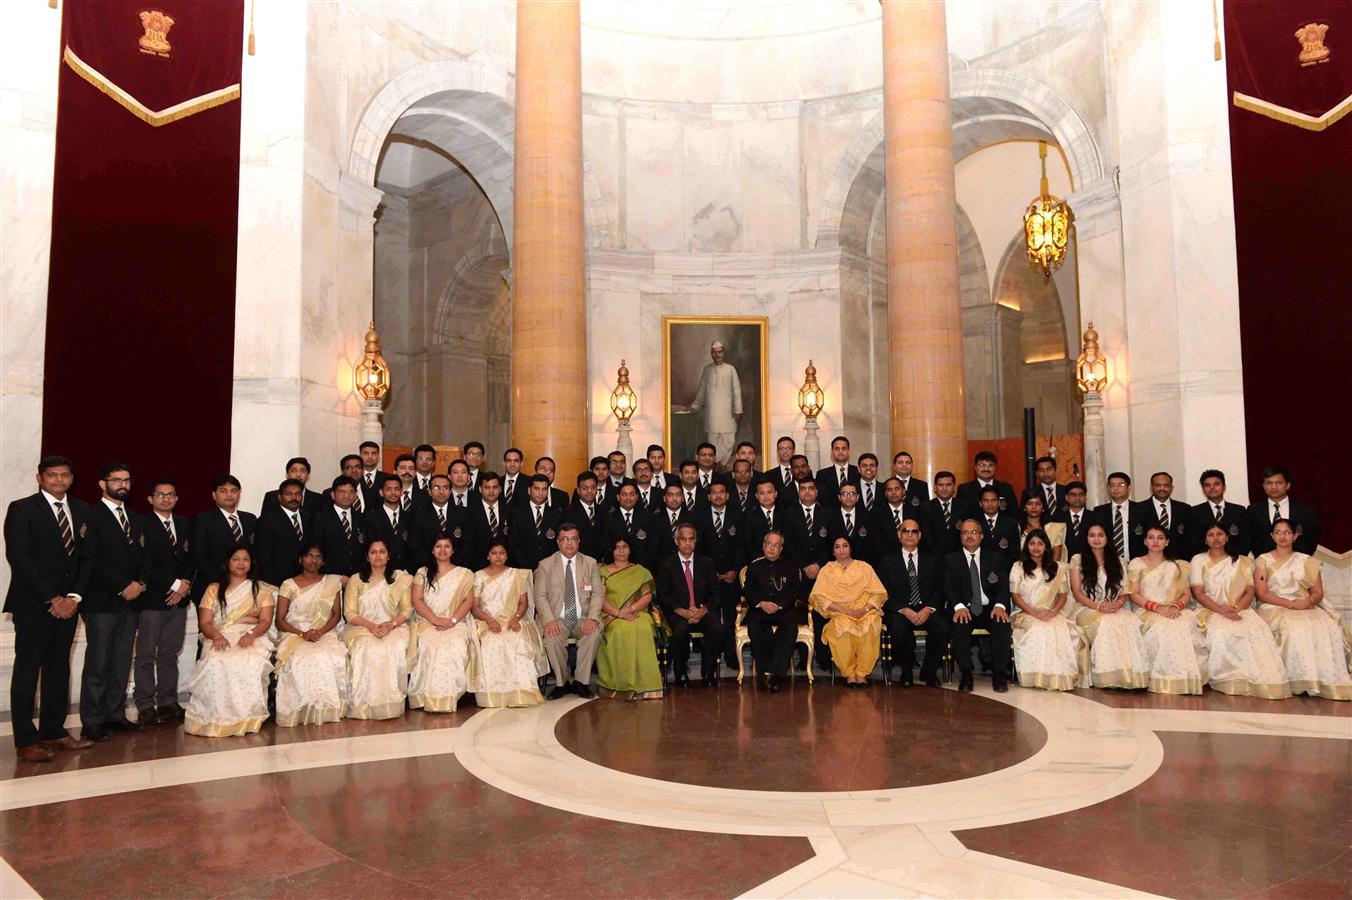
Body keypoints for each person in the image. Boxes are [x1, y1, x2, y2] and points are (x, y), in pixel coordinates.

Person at [4, 456, 96, 762]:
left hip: (70, 604)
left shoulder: (82, 510)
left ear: (72, 478)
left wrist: (73, 597)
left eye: (64, 475)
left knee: (58, 668)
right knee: (28, 671)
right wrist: (53, 598)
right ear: (40, 478)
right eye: (52, 475)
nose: (59, 480)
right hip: (34, 604)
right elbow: (20, 558)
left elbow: (87, 559)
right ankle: (25, 740)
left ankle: (54, 731)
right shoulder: (22, 509)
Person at [81, 462, 150, 739]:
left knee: (122, 661)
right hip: (102, 602)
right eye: (116, 480)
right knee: (98, 662)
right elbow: (92, 558)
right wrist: (122, 586)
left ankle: (115, 714)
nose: (122, 485)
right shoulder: (90, 515)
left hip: (131, 602)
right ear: (102, 484)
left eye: (127, 480)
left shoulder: (135, 517)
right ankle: (92, 720)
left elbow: (146, 557)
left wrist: (140, 584)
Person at [1253, 519, 1351, 699]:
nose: (1282, 536)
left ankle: (1325, 680)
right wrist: (1289, 604)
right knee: (1294, 627)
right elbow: (1262, 593)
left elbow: (1318, 592)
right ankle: (1297, 680)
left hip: (1304, 605)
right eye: (1278, 532)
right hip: (1274, 605)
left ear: (1295, 536)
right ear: (1272, 536)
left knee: (1325, 627)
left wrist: (1307, 602)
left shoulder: (1307, 561)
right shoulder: (1262, 560)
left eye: (1287, 532)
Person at [184, 545, 275, 737]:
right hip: (219, 635)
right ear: (227, 562)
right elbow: (205, 622)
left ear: (251, 563)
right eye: (236, 559)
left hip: (251, 634)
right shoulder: (213, 589)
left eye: (246, 559)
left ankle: (247, 718)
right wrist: (217, 636)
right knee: (216, 662)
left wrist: (251, 634)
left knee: (250, 660)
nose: (241, 563)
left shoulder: (261, 589)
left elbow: (266, 621)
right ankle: (216, 718)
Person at [1189, 523, 1289, 699]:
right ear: (1205, 540)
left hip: (1240, 608)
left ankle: (1259, 679)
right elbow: (1198, 593)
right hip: (1209, 609)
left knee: (1255, 629)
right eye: (1211, 535)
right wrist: (1221, 610)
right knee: (1222, 631)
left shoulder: (1244, 561)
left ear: (1227, 537)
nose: (1216, 538)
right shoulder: (1198, 560)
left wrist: (1236, 609)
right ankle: (1229, 679)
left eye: (1220, 534)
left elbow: (1250, 591)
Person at [136, 478, 194, 725]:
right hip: (152, 600)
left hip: (178, 601)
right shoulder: (141, 524)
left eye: (171, 494)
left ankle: (168, 701)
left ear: (177, 498)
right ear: (150, 499)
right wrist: (173, 584)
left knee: (170, 653)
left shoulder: (184, 523)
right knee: (146, 654)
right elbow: (144, 563)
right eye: (160, 494)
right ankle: (145, 704)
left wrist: (184, 586)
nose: (166, 499)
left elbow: (192, 559)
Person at [1127, 525, 1207, 695]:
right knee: (1163, 627)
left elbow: (1186, 593)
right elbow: (1133, 594)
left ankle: (1186, 678)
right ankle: (1162, 678)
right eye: (1151, 537)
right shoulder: (1136, 563)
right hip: (1147, 609)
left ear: (1167, 542)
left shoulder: (1177, 566)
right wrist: (1157, 608)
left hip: (1174, 608)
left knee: (1183, 624)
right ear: (1145, 541)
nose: (1155, 541)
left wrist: (1175, 607)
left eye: (1160, 538)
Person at [274, 543, 347, 726]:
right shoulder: (288, 585)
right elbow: (280, 621)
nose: (313, 560)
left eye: (318, 557)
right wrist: (302, 633)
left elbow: (336, 615)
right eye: (309, 556)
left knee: (328, 656)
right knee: (300, 659)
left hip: (324, 631)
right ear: (301, 559)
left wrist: (320, 632)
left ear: (323, 561)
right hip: (295, 633)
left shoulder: (331, 582)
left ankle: (326, 709)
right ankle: (300, 709)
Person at [1069, 523, 1148, 690]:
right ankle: (1110, 677)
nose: (1096, 539)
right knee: (1107, 623)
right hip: (1087, 608)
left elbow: (1125, 592)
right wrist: (1098, 607)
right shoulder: (1077, 559)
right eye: (1092, 535)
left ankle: (1131, 676)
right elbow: (1076, 592)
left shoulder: (1119, 561)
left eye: (1100, 535)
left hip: (1114, 607)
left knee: (1130, 621)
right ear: (1086, 538)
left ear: (1107, 538)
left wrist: (1116, 605)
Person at [471, 537, 548, 707]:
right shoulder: (478, 576)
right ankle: (493, 695)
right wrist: (490, 621)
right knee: (490, 643)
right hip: (487, 622)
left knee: (518, 641)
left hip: (512, 620)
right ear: (488, 556)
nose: (498, 556)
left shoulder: (517, 575)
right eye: (494, 553)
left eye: (502, 553)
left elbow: (523, 603)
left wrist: (515, 618)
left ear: (507, 556)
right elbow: (475, 606)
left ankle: (522, 693)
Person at [342, 539, 413, 720]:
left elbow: (407, 610)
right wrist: (371, 626)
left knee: (391, 647)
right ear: (367, 557)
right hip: (362, 627)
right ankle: (365, 704)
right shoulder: (356, 580)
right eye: (373, 552)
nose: (378, 556)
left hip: (394, 626)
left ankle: (390, 704)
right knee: (367, 648)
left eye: (382, 552)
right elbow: (349, 613)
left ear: (389, 556)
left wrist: (390, 625)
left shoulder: (400, 579)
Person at [1010, 530, 1087, 691]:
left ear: (1046, 546)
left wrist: (1053, 612)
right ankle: (1038, 677)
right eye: (1032, 544)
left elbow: (1063, 596)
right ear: (1026, 546)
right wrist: (1034, 613)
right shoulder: (1018, 567)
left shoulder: (1057, 568)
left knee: (1059, 627)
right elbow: (1015, 596)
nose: (1036, 547)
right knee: (1039, 628)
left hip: (1051, 612)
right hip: (1024, 613)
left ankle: (1058, 677)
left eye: (1040, 544)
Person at [408, 535, 476, 711]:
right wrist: (435, 619)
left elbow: (468, 601)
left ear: (453, 550)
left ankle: (450, 696)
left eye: (447, 546)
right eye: (438, 546)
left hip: (456, 622)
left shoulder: (464, 574)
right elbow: (417, 600)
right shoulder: (423, 573)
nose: (443, 550)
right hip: (427, 622)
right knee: (432, 644)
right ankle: (428, 697)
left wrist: (452, 621)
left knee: (453, 645)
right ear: (432, 550)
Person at [535, 525, 603, 698]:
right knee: (552, 638)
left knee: (594, 634)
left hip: (583, 618)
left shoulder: (590, 563)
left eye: (573, 539)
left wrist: (592, 618)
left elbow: (597, 593)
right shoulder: (545, 565)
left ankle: (581, 682)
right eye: (564, 539)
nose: (569, 543)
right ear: (558, 542)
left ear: (579, 541)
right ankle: (562, 682)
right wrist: (549, 620)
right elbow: (540, 596)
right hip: (557, 618)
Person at [944, 520, 1013, 692]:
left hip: (989, 608)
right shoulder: (950, 559)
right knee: (960, 625)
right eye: (965, 532)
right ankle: (966, 674)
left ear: (981, 536)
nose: (969, 536)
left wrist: (999, 606)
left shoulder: (995, 558)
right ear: (960, 536)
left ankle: (999, 674)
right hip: (964, 607)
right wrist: (959, 606)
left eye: (973, 532)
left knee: (1001, 624)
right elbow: (948, 587)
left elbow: (1003, 586)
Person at [810, 537, 886, 687]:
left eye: (845, 546)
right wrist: (845, 610)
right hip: (840, 613)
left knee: (870, 627)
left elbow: (879, 593)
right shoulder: (827, 570)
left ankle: (861, 673)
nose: (841, 550)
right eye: (837, 547)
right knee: (839, 629)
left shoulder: (864, 567)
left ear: (851, 549)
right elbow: (818, 597)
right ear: (833, 552)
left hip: (865, 612)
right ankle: (850, 673)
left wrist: (863, 610)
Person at [594, 535, 663, 700]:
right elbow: (598, 599)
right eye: (617, 547)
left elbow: (647, 596)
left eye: (624, 547)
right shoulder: (601, 572)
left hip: (637, 612)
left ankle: (647, 686)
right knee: (621, 630)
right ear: (611, 550)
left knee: (643, 627)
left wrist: (630, 609)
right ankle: (622, 685)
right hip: (611, 616)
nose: (621, 551)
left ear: (630, 549)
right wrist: (618, 613)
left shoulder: (641, 571)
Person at [878, 519, 946, 687]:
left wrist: (928, 609)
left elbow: (940, 589)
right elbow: (883, 593)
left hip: (926, 609)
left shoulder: (933, 561)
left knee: (943, 628)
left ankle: (929, 671)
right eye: (905, 531)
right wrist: (904, 610)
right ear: (899, 535)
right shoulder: (887, 562)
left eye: (914, 531)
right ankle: (906, 671)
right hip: (900, 610)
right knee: (899, 628)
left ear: (920, 535)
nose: (910, 535)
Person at [656, 523, 724, 687]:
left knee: (717, 629)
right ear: (676, 541)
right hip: (678, 613)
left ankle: (708, 673)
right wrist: (682, 611)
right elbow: (663, 595)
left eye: (691, 539)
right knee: (680, 631)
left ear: (696, 541)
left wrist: (702, 610)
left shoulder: (706, 563)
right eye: (683, 539)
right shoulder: (666, 564)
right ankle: (680, 673)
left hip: (702, 611)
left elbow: (716, 594)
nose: (687, 543)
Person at [742, 532, 804, 692]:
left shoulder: (790, 567)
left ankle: (775, 674)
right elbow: (748, 590)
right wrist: (761, 603)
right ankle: (765, 673)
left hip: (783, 610)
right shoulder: (753, 567)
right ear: (763, 546)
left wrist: (779, 605)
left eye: (776, 545)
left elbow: (794, 590)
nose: (772, 548)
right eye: (769, 544)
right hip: (760, 610)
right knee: (756, 628)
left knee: (790, 629)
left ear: (781, 549)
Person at [783, 477, 834, 670]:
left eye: (811, 488)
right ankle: (804, 659)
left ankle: (823, 656)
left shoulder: (829, 514)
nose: (807, 492)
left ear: (816, 492)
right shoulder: (789, 514)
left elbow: (833, 544)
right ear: (798, 492)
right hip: (799, 574)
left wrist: (818, 565)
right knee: (801, 616)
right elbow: (787, 544)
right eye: (803, 488)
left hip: (823, 573)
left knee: (822, 615)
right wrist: (805, 566)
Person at [694, 481, 743, 668]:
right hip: (708, 579)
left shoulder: (737, 516)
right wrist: (710, 573)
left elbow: (741, 547)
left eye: (722, 492)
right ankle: (711, 661)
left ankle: (731, 657)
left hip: (731, 579)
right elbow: (697, 549)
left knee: (730, 619)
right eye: (714, 492)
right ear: (709, 496)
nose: (718, 495)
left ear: (727, 495)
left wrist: (734, 570)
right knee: (712, 620)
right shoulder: (700, 517)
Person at [191, 474, 257, 602]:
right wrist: (225, 582)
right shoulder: (203, 519)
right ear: (214, 495)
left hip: (245, 588)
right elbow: (199, 556)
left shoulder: (250, 519)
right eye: (223, 491)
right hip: (212, 587)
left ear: (239, 494)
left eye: (234, 491)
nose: (229, 495)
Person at [676, 339, 742, 464]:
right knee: (713, 442)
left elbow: (736, 390)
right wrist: (694, 406)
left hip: (727, 412)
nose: (717, 355)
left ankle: (718, 463)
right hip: (712, 413)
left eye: (719, 352)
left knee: (729, 440)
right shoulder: (707, 370)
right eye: (714, 352)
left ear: (723, 353)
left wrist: (737, 410)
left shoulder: (731, 369)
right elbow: (702, 391)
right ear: (711, 354)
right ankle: (716, 464)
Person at [1248, 466, 1320, 555]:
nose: (1273, 487)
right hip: (1264, 561)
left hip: (1298, 561)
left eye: (1279, 483)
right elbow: (1251, 539)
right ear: (1263, 486)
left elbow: (1312, 539)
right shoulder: (1253, 510)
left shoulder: (1306, 511)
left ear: (1288, 485)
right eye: (1269, 483)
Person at [313, 475, 370, 578]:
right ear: (333, 495)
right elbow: (317, 549)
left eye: (351, 491)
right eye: (342, 491)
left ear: (356, 495)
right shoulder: (320, 518)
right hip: (330, 576)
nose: (346, 495)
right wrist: (336, 577)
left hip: (358, 577)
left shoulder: (362, 518)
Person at [254, 478, 307, 587]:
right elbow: (263, 556)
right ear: (279, 497)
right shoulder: (267, 520)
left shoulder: (309, 517)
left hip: (305, 580)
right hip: (276, 581)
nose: (294, 498)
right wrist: (271, 585)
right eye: (288, 494)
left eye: (298, 494)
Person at [1191, 469, 1249, 558]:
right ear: (1203, 489)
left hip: (1235, 560)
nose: (1212, 488)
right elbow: (1193, 541)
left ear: (1224, 487)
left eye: (1216, 484)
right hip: (1206, 561)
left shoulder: (1239, 511)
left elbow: (1246, 540)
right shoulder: (1194, 512)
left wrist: (1234, 559)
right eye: (1207, 485)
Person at [510, 474, 565, 569]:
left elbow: (558, 544)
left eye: (544, 489)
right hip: (523, 568)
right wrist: (529, 567)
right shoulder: (517, 514)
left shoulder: (556, 515)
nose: (540, 493)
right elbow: (514, 545)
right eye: (536, 489)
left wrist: (547, 566)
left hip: (549, 568)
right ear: (529, 490)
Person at [367, 473, 413, 572]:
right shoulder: (370, 518)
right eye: (388, 489)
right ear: (381, 492)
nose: (393, 492)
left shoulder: (410, 517)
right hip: (380, 571)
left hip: (406, 572)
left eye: (397, 489)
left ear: (402, 492)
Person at [1093, 472, 1144, 561]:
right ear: (1108, 488)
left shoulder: (1141, 509)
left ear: (1129, 488)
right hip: (1108, 562)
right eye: (1112, 485)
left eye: (1121, 485)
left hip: (1137, 561)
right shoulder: (1099, 511)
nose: (1116, 488)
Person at [956, 450, 1018, 518]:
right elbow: (961, 515)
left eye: (990, 465)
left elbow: (1014, 514)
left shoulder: (1006, 489)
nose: (986, 468)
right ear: (975, 467)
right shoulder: (964, 490)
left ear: (995, 468)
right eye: (982, 465)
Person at [260, 457, 324, 521]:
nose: (298, 474)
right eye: (294, 471)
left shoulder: (319, 499)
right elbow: (264, 522)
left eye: (302, 471)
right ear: (287, 474)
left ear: (308, 475)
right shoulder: (272, 497)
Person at [1139, 472, 1189, 552]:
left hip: (1177, 557)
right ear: (1151, 488)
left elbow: (1189, 538)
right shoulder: (1139, 509)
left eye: (1166, 485)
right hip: (1148, 557)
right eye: (1158, 485)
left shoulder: (1184, 509)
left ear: (1171, 488)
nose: (1162, 488)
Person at [1017, 492, 1065, 560]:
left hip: (1049, 566)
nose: (1034, 507)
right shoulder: (1016, 528)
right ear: (1024, 507)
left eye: (1038, 504)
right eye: (1030, 504)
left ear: (1043, 507)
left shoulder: (1053, 528)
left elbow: (1056, 557)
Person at [815, 436, 859, 508]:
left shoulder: (858, 472)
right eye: (837, 449)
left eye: (844, 448)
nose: (840, 451)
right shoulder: (822, 474)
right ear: (832, 451)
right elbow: (820, 499)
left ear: (848, 451)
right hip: (829, 513)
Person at [977, 486, 1019, 557]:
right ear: (980, 503)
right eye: (986, 500)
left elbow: (1015, 553)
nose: (990, 504)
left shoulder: (1011, 524)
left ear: (999, 502)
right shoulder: (974, 524)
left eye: (993, 500)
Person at [1060, 481, 1093, 560]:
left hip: (1089, 562)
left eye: (1081, 494)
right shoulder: (1058, 518)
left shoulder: (1095, 517)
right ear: (1066, 498)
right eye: (1073, 495)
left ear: (1085, 497)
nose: (1077, 498)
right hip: (1065, 562)